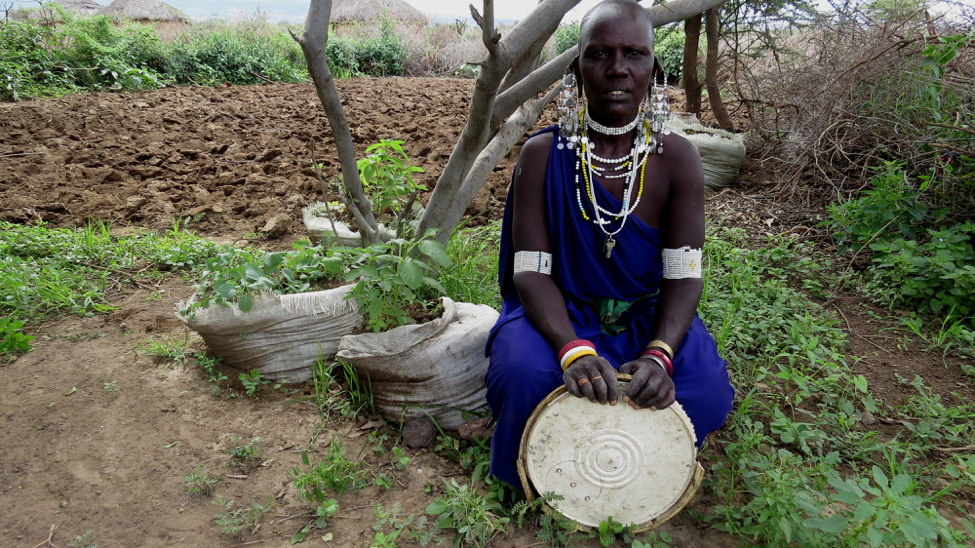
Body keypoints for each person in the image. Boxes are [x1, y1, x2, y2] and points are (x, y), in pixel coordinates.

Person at [484, 0, 735, 489]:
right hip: (560, 314)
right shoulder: (542, 155)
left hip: (646, 319)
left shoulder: (677, 158)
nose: (618, 69)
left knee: (704, 392)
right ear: (577, 70)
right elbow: (531, 272)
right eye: (599, 54)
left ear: (653, 69)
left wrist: (660, 354)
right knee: (523, 376)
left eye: (634, 54)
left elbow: (683, 274)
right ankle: (548, 475)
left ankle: (633, 467)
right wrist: (572, 350)